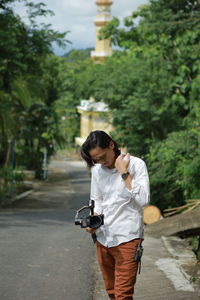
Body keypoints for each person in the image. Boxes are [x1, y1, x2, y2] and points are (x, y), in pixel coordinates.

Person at [81, 130, 150, 300]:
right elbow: (97, 200)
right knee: (111, 292)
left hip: (128, 238)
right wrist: (93, 221)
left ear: (112, 145)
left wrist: (124, 172)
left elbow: (144, 200)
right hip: (103, 238)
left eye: (103, 156)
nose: (101, 162)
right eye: (96, 159)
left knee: (123, 294)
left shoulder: (136, 165)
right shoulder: (97, 170)